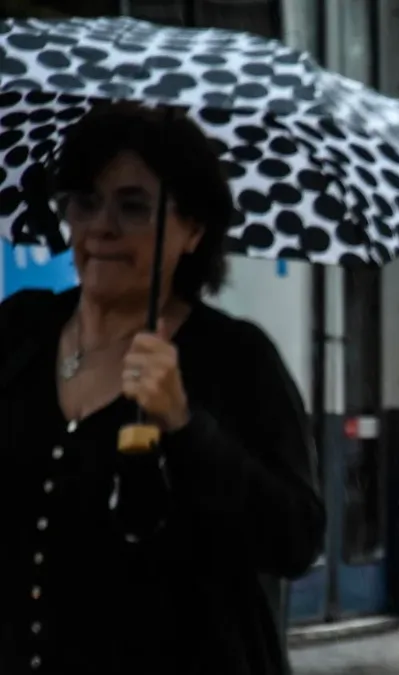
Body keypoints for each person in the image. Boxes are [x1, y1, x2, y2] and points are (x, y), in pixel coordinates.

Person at [0, 103, 325, 675]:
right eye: (84, 201)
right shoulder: (20, 332)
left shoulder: (235, 359)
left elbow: (294, 539)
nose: (101, 226)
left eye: (134, 207)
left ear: (193, 230)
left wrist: (185, 424)